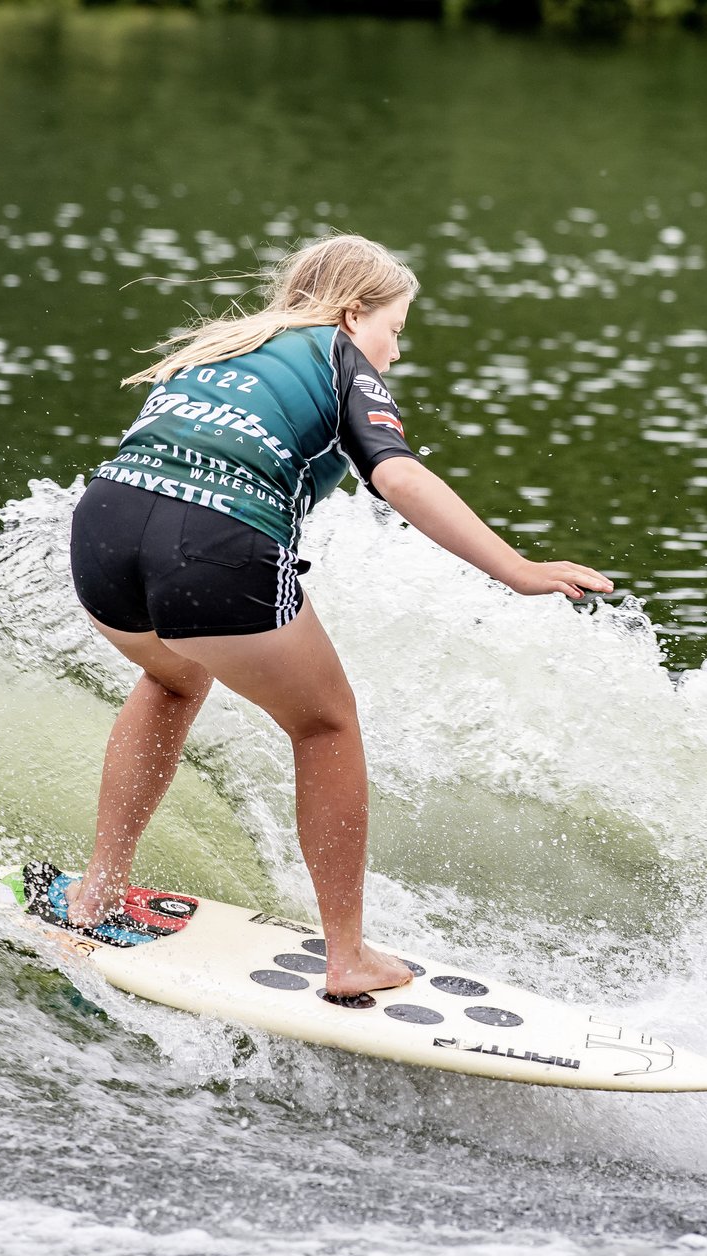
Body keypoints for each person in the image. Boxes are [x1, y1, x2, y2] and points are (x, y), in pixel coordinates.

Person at [56, 233, 612, 997]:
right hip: (212, 540)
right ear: (354, 313)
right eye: (396, 331)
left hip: (102, 532)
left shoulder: (219, 347)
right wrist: (516, 570)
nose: (395, 353)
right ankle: (347, 957)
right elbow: (400, 477)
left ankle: (98, 892)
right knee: (326, 724)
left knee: (175, 679)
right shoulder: (338, 355)